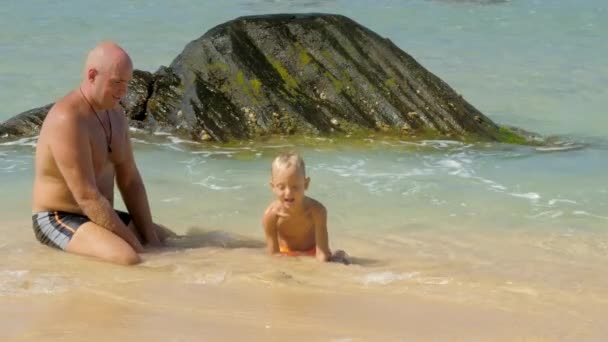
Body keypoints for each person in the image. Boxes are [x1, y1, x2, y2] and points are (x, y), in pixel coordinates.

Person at [31, 41, 171, 265]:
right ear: (92, 75)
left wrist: (152, 241)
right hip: (58, 216)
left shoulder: (116, 115)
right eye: (116, 83)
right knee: (129, 258)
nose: (123, 92)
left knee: (170, 241)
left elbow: (130, 180)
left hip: (98, 214)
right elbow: (87, 195)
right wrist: (141, 249)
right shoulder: (68, 118)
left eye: (126, 83)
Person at [262, 152, 349, 264]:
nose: (288, 193)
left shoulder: (317, 211)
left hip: (313, 251)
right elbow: (273, 254)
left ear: (306, 184)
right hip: (285, 254)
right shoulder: (271, 216)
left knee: (341, 258)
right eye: (281, 187)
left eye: (295, 187)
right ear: (273, 187)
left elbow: (322, 252)